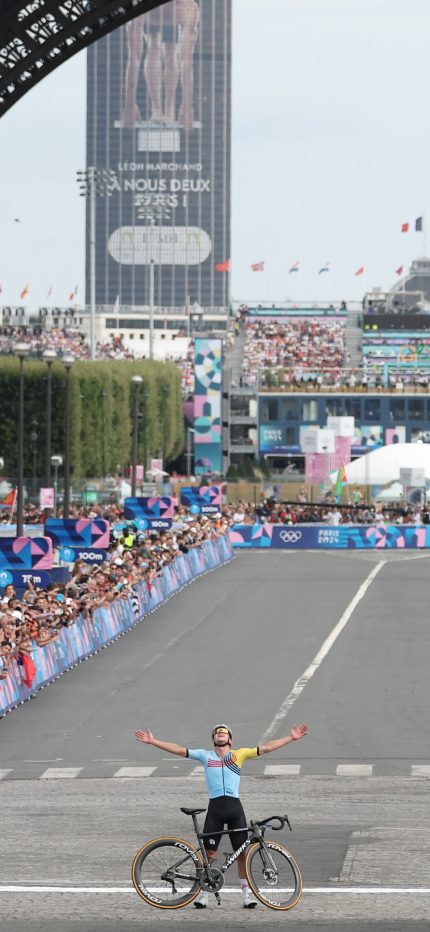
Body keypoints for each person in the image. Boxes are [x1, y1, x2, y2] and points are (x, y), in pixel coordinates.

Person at [135, 721, 307, 909]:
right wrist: (153, 742)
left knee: (241, 855)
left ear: (230, 740)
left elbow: (266, 748)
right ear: (213, 739)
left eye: (224, 732)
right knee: (209, 854)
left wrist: (291, 737)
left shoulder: (239, 755)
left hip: (235, 809)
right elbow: (178, 750)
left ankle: (246, 896)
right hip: (215, 809)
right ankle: (204, 895)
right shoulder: (205, 756)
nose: (220, 733)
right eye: (217, 732)